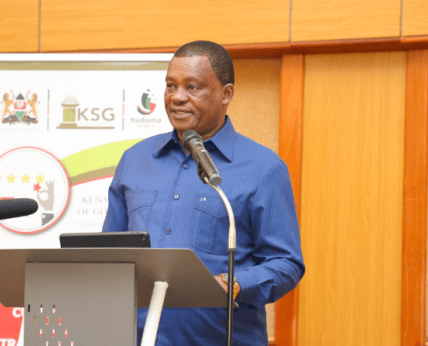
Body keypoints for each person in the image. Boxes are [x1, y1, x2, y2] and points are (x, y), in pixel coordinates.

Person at [102, 41, 304, 345]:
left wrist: (235, 283)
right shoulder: (135, 160)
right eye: (171, 85)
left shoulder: (264, 168)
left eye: (192, 87)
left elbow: (286, 263)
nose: (177, 97)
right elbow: (108, 252)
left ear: (226, 94)